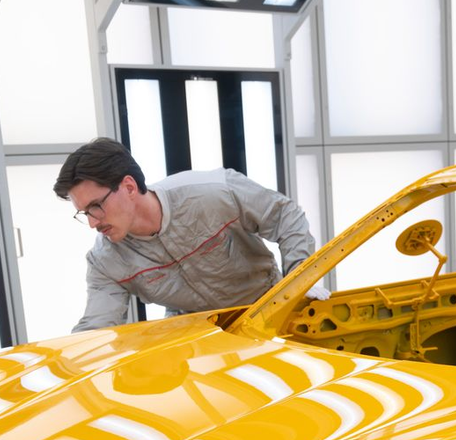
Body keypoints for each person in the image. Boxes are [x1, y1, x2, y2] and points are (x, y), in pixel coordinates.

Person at [53, 137, 320, 332]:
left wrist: (301, 280)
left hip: (270, 313)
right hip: (199, 340)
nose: (92, 223)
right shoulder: (105, 261)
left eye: (96, 207)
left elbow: (285, 217)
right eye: (84, 213)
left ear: (129, 187)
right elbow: (97, 327)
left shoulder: (215, 192)